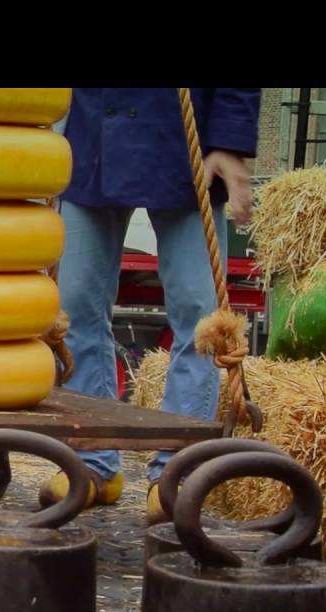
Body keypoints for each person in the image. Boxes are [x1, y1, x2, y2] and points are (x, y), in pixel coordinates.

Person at [36, 88, 260, 523]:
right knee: (75, 305)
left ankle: (176, 472)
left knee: (200, 318)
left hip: (181, 133)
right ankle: (93, 464)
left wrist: (230, 144)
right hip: (88, 136)